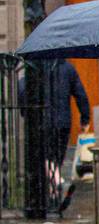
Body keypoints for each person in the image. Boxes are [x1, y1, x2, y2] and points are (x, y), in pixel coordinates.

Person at [18, 59, 90, 213]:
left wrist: (25, 112)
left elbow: (22, 88)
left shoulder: (36, 67)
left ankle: (59, 184)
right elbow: (80, 94)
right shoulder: (68, 68)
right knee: (56, 158)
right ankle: (54, 195)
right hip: (63, 123)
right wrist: (85, 118)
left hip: (42, 121)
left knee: (46, 157)